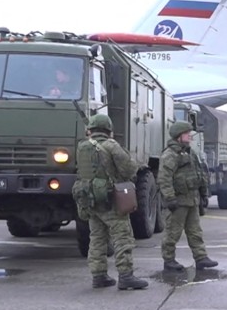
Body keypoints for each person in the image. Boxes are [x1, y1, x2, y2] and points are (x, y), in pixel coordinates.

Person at [73, 114, 148, 290]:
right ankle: (126, 276)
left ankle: (99, 276)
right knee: (122, 237)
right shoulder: (111, 146)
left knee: (97, 238)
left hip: (90, 199)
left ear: (90, 130)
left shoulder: (82, 147)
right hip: (110, 199)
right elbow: (130, 169)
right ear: (108, 130)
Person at [158, 121, 217, 271]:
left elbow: (200, 173)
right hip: (179, 200)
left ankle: (201, 257)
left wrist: (203, 194)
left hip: (192, 199)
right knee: (173, 232)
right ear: (179, 136)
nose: (190, 136)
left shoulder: (190, 153)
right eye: (187, 133)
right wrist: (170, 198)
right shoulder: (170, 155)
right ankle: (169, 260)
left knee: (195, 231)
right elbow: (164, 178)